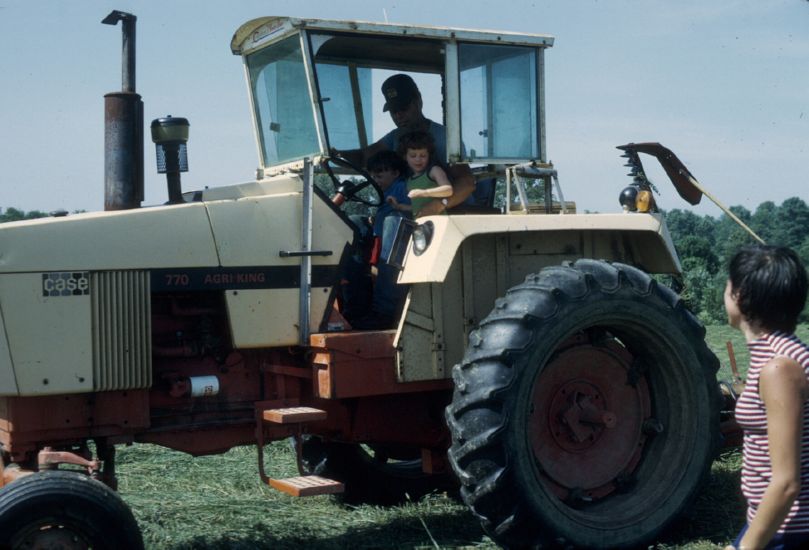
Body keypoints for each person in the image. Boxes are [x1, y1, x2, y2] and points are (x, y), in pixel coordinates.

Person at [724, 245, 809, 550]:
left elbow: (786, 484)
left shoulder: (780, 367)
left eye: (728, 283)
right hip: (773, 521)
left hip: (789, 530)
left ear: (740, 295)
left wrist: (744, 547)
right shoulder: (781, 356)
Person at [338, 73, 475, 215]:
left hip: (453, 213)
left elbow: (466, 182)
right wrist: (336, 155)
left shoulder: (444, 138)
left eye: (403, 109)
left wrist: (440, 205)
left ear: (419, 101)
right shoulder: (396, 137)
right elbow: (362, 158)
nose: (398, 115)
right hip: (415, 210)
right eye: (393, 111)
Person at [387, 131, 453, 218]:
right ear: (404, 156)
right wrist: (399, 206)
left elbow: (448, 190)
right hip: (421, 226)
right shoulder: (409, 180)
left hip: (439, 223)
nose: (418, 159)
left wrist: (424, 192)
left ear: (429, 155)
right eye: (413, 156)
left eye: (423, 155)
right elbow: (417, 208)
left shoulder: (434, 171)